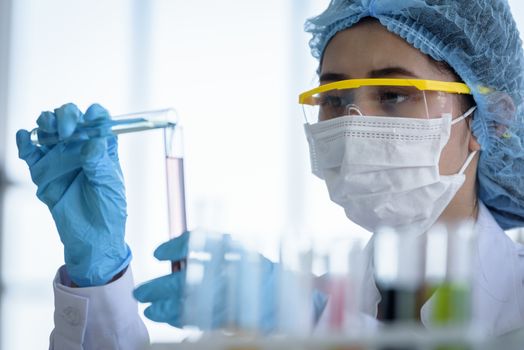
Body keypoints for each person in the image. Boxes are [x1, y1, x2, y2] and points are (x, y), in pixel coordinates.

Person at [15, 0, 524, 348]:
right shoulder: (292, 299)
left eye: (392, 95)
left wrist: (315, 324)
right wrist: (98, 272)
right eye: (335, 97)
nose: (355, 122)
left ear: (488, 120)